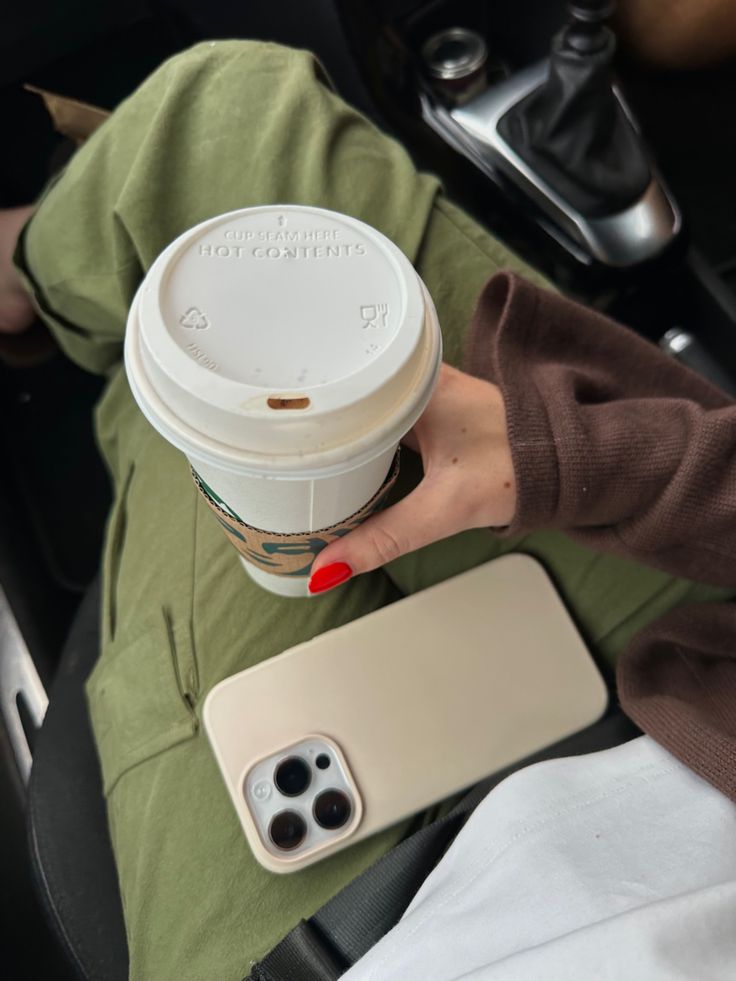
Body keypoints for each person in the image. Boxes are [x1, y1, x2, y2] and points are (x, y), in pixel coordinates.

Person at [2, 40, 735, 981]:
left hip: (330, 950)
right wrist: (565, 452)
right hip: (705, 663)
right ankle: (41, 281)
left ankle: (69, 321)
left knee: (178, 394)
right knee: (225, 111)